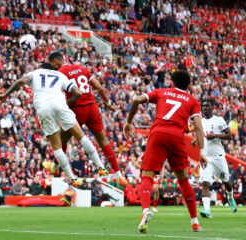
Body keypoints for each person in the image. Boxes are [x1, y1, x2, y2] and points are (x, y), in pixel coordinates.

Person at [0, 62, 105, 187]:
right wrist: (67, 103)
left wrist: (6, 94)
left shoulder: (35, 73)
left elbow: (21, 81)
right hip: (60, 103)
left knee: (57, 146)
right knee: (81, 137)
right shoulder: (60, 75)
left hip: (43, 106)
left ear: (41, 68)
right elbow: (78, 93)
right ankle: (101, 166)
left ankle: (72, 178)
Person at [124, 70, 207, 233]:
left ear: (172, 83)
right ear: (188, 86)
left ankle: (145, 210)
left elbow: (136, 100)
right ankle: (195, 222)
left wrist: (128, 122)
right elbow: (198, 126)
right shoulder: (192, 100)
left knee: (147, 176)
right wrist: (202, 152)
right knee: (183, 180)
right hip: (177, 136)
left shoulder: (161, 92)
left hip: (157, 133)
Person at [45, 52, 126, 184]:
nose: (52, 66)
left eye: (52, 63)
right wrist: (109, 104)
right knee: (103, 141)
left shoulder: (59, 73)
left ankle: (54, 167)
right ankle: (119, 175)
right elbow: (99, 87)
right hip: (92, 108)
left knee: (61, 139)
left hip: (77, 110)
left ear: (56, 61)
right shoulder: (82, 69)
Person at [192, 99, 237, 218]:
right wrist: (195, 141)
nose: (204, 108)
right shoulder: (200, 121)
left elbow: (229, 136)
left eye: (207, 105)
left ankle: (230, 197)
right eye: (203, 106)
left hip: (218, 157)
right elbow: (202, 136)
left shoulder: (219, 120)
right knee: (205, 183)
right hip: (206, 157)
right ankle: (207, 210)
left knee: (226, 182)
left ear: (213, 108)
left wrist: (215, 136)